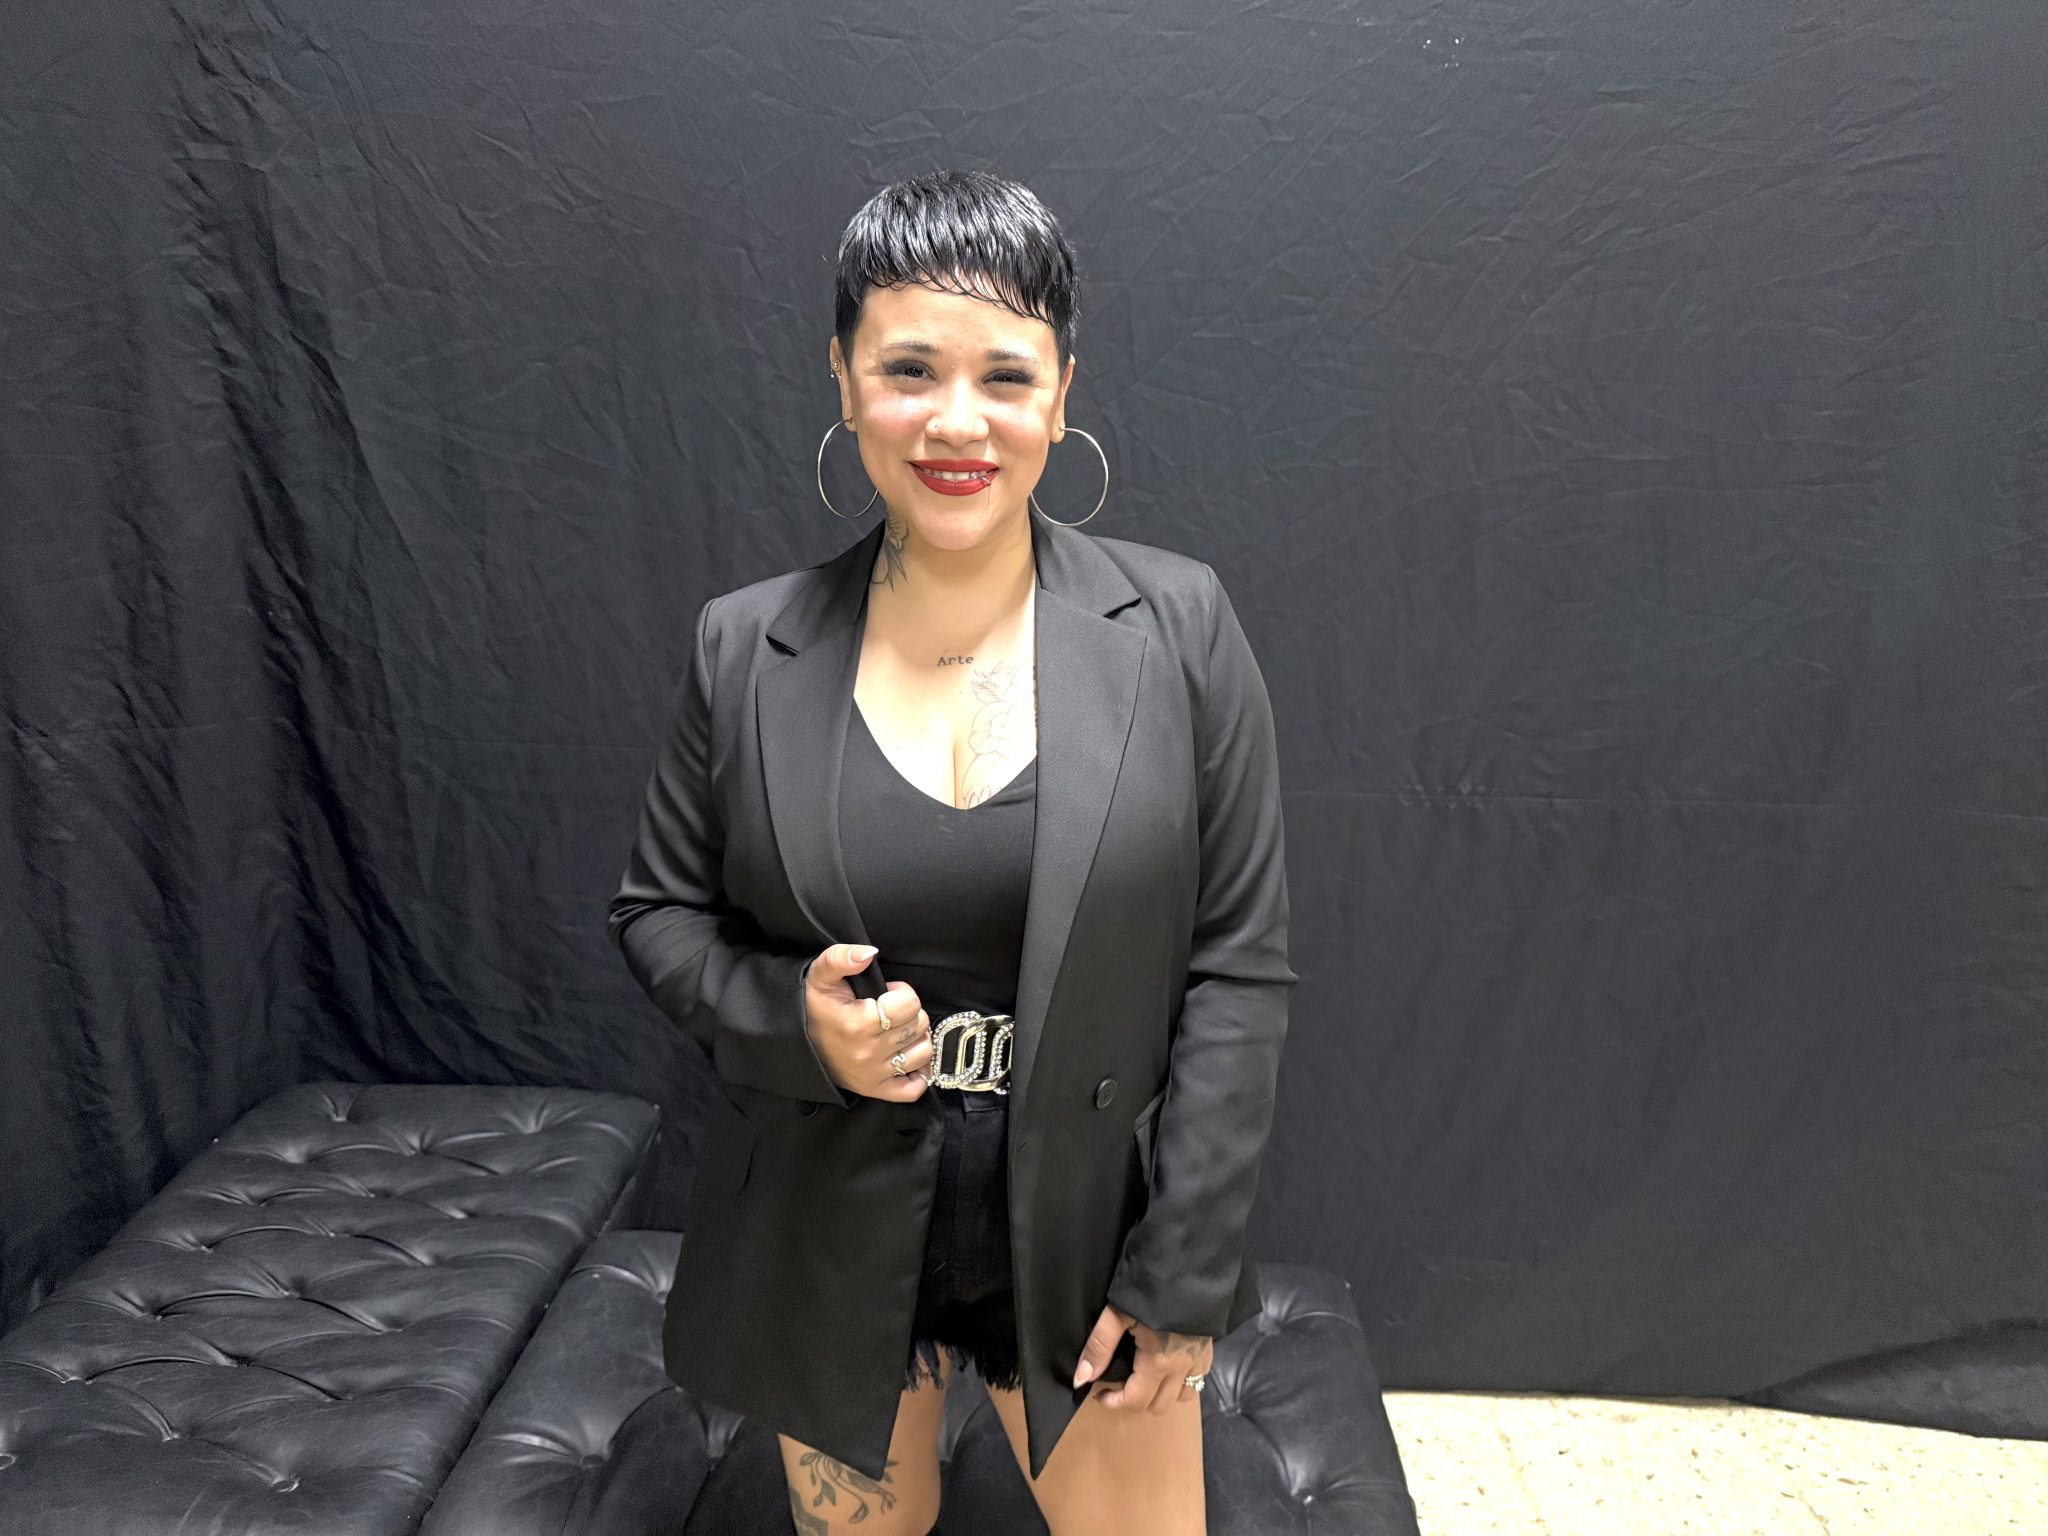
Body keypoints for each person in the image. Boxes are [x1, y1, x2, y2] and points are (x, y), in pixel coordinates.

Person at [607, 168, 1295, 1536]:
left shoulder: (1182, 630)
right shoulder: (744, 647)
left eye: (1007, 376)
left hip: (1093, 1229)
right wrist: (795, 1023)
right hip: (833, 1222)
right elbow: (658, 914)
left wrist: (1185, 1267)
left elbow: (1238, 966)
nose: (958, 422)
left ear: (1063, 393)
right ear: (845, 377)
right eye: (910, 369)